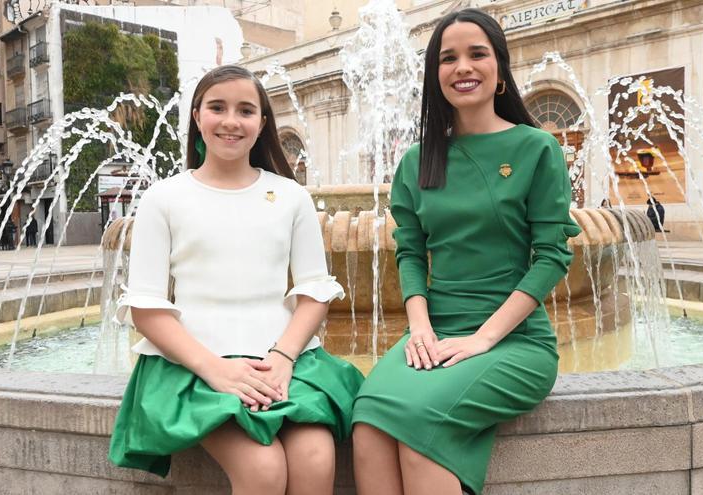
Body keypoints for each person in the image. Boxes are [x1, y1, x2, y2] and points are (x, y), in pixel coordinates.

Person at [351, 9, 581, 495]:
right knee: (368, 422)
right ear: (435, 76)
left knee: (417, 429)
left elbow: (552, 257)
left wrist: (484, 339)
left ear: (500, 68)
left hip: (514, 338)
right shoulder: (417, 160)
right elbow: (410, 253)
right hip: (437, 328)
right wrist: (420, 327)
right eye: (447, 58)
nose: (463, 67)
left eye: (477, 54)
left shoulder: (537, 148)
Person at [108, 65, 363, 495]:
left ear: (262, 123)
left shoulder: (291, 196)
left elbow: (315, 292)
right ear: (196, 115)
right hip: (192, 366)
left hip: (286, 363)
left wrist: (283, 359)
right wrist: (218, 372)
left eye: (246, 110)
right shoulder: (163, 198)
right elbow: (146, 309)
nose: (231, 120)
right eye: (217, 107)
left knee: (316, 458)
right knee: (263, 470)